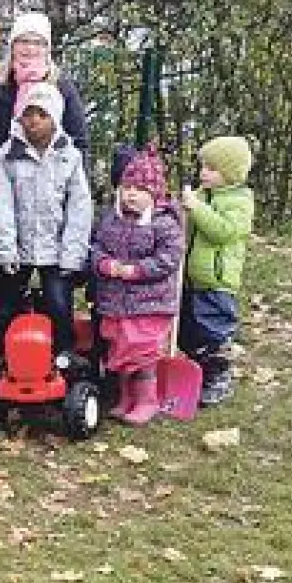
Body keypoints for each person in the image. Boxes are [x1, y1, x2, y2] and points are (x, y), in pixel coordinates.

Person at [0, 82, 93, 365]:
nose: (34, 120)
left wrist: (72, 255)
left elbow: (79, 209)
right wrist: (6, 249)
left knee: (58, 304)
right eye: (29, 113)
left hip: (56, 249)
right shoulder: (6, 156)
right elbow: (3, 205)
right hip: (18, 247)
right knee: (5, 306)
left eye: (42, 114)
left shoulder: (69, 157)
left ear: (55, 118)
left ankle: (63, 358)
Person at [90, 146, 185, 426]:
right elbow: (95, 247)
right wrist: (104, 264)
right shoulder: (110, 218)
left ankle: (147, 399)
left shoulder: (164, 223)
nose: (130, 194)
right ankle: (125, 397)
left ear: (154, 194)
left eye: (139, 189)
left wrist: (138, 270)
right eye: (126, 187)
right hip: (116, 301)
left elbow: (169, 258)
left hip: (149, 302)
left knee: (141, 352)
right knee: (119, 349)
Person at [179, 136, 256, 407]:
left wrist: (197, 209)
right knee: (188, 329)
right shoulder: (201, 195)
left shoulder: (239, 202)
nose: (204, 173)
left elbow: (223, 231)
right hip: (191, 277)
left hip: (216, 281)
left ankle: (219, 376)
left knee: (212, 331)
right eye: (203, 167)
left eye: (212, 169)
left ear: (231, 172)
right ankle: (197, 370)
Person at [0, 13, 89, 158]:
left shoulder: (62, 88)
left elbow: (79, 142)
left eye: (38, 42)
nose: (30, 48)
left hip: (51, 177)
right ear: (12, 45)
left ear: (47, 48)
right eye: (23, 41)